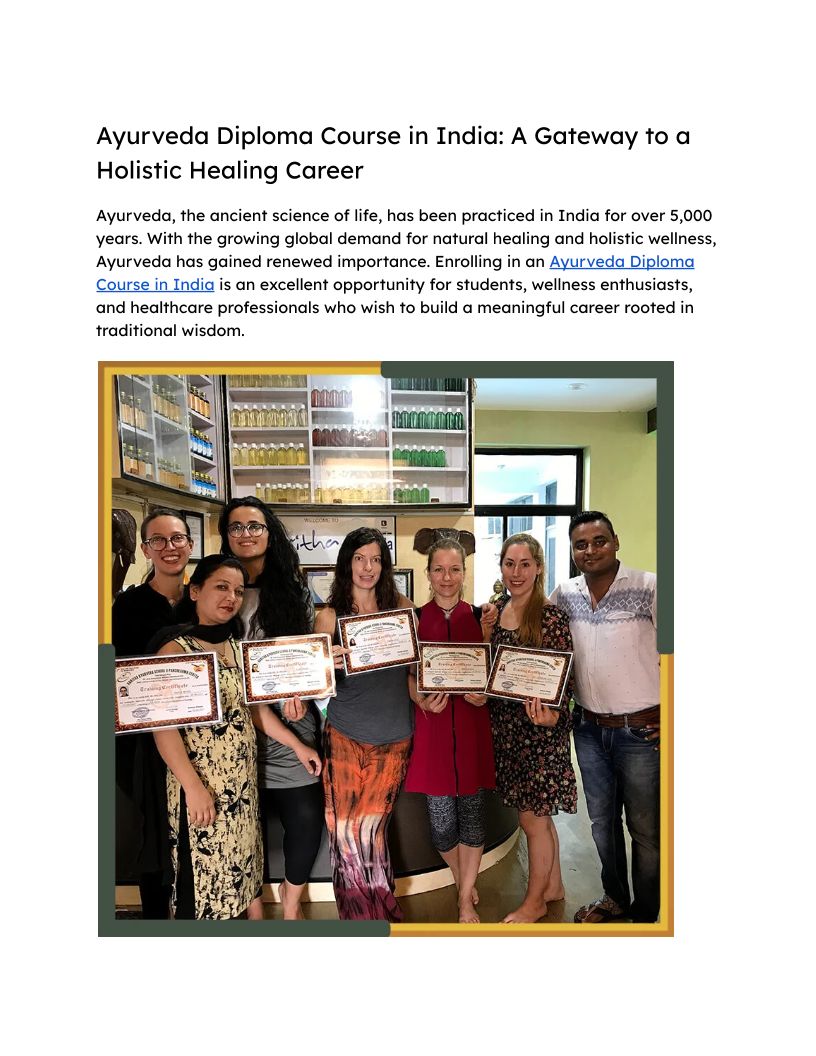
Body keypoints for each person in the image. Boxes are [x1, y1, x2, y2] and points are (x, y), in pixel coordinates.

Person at [152, 555, 321, 920]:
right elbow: (163, 729)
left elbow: (254, 711)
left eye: (239, 591)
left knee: (238, 879)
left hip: (240, 789)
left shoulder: (233, 645)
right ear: (195, 591)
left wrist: (297, 744)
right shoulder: (176, 649)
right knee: (203, 889)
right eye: (221, 587)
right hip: (201, 786)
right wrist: (193, 788)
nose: (231, 597)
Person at [550, 511, 660, 924]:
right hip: (589, 729)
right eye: (581, 544)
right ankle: (614, 898)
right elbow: (533, 628)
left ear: (616, 542)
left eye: (599, 541)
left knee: (645, 831)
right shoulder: (566, 593)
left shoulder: (650, 587)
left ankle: (647, 914)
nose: (590, 550)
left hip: (642, 732)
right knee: (601, 823)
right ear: (572, 551)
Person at [219, 496, 324, 921]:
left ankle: (291, 900)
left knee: (306, 819)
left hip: (288, 720)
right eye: (236, 527)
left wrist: (300, 696)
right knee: (245, 826)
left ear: (269, 532)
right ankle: (254, 909)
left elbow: (306, 654)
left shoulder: (294, 589)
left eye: (255, 526)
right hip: (232, 727)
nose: (246, 534)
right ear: (226, 535)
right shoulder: (217, 585)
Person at [314, 527, 414, 921]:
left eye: (375, 559)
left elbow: (415, 671)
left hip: (393, 735)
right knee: (342, 832)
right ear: (347, 564)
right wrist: (328, 664)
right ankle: (356, 920)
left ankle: (382, 915)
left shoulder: (402, 608)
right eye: (359, 558)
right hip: (343, 733)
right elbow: (314, 682)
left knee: (371, 831)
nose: (367, 567)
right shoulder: (328, 615)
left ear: (385, 566)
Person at [404, 537, 496, 923]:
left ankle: (464, 902)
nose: (446, 577)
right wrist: (421, 701)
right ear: (428, 574)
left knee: (473, 820)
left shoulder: (481, 616)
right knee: (442, 829)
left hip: (472, 730)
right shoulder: (413, 619)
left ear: (464, 572)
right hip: (433, 733)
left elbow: (494, 671)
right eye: (439, 569)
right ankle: (464, 881)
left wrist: (485, 694)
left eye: (454, 569)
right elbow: (409, 677)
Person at [488, 532, 577, 923]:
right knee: (539, 817)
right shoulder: (495, 611)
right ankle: (553, 886)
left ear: (538, 567)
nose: (517, 572)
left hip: (540, 734)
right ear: (501, 567)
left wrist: (554, 716)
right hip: (507, 732)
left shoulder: (551, 617)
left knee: (532, 819)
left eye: (525, 564)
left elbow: (565, 676)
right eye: (510, 564)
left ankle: (535, 902)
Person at [112, 507, 194, 919]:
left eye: (177, 538)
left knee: (193, 828)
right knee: (154, 832)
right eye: (157, 540)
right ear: (145, 549)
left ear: (190, 544)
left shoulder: (201, 600)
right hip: (143, 742)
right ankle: (157, 923)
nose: (168, 547)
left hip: (198, 740)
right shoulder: (127, 607)